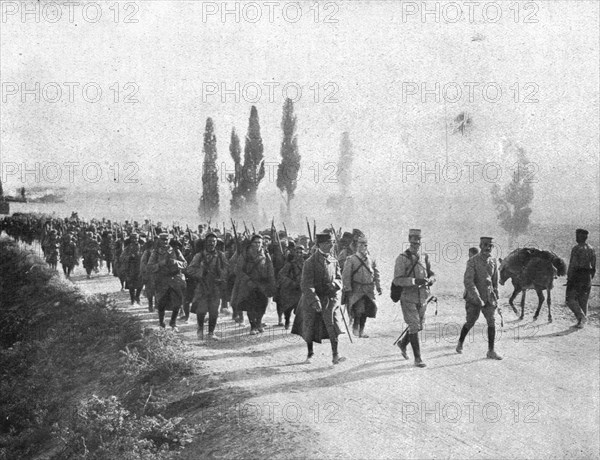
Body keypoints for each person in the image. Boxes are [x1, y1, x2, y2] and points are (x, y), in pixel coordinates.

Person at [291, 233, 346, 365]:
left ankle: (335, 355)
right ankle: (310, 353)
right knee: (309, 327)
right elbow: (306, 284)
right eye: (328, 243)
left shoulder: (334, 260)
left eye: (332, 242)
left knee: (333, 326)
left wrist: (335, 285)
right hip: (312, 300)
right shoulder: (310, 262)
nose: (331, 245)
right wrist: (315, 301)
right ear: (320, 245)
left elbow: (339, 278)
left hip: (329, 298)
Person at [392, 229, 435, 368]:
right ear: (409, 240)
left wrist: (431, 279)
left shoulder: (425, 256)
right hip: (408, 297)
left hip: (422, 297)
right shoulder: (402, 258)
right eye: (413, 240)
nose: (416, 243)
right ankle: (418, 358)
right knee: (414, 325)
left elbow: (432, 273)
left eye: (418, 240)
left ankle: (403, 343)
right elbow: (397, 280)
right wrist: (414, 281)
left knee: (419, 326)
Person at [456, 236, 502, 360]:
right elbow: (468, 282)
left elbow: (494, 281)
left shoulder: (493, 261)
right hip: (474, 298)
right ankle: (460, 342)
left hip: (488, 297)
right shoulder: (472, 261)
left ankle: (491, 351)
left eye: (490, 246)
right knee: (471, 321)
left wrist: (496, 296)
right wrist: (477, 298)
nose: (488, 248)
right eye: (485, 245)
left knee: (491, 322)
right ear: (481, 246)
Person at [230, 234, 277, 335]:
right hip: (249, 284)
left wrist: (271, 283)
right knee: (251, 306)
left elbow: (270, 269)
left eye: (259, 242)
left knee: (263, 305)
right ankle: (253, 326)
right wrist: (247, 280)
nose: (258, 244)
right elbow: (238, 269)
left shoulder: (265, 253)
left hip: (263, 284)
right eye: (255, 242)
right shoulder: (245, 254)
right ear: (251, 243)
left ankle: (259, 322)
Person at [187, 233, 228, 340]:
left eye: (214, 241)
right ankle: (200, 330)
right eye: (209, 241)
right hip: (202, 285)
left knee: (214, 310)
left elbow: (226, 269)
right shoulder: (199, 256)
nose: (211, 243)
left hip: (215, 286)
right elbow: (190, 269)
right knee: (201, 310)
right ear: (205, 242)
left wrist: (221, 277)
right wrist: (201, 272)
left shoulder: (220, 255)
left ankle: (211, 333)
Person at [342, 236, 381, 338]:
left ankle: (361, 331)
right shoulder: (351, 259)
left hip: (369, 289)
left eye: (365, 245)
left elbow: (376, 273)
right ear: (357, 246)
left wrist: (378, 286)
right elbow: (346, 275)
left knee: (367, 310)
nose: (363, 247)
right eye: (360, 245)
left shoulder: (371, 259)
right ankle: (355, 327)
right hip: (357, 288)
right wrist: (348, 288)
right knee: (359, 310)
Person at [147, 233, 188, 331]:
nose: (165, 242)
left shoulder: (176, 251)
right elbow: (149, 266)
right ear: (159, 241)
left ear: (169, 240)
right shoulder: (155, 252)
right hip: (162, 279)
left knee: (177, 303)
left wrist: (176, 262)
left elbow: (185, 264)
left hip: (175, 279)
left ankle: (173, 323)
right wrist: (160, 264)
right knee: (161, 303)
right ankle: (161, 323)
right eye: (162, 240)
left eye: (166, 240)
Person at [566, 228, 596, 328]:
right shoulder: (591, 248)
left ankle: (581, 318)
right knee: (583, 299)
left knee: (569, 299)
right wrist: (590, 277)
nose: (576, 237)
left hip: (577, 275)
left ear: (580, 237)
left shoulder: (576, 248)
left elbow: (572, 265)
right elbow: (594, 266)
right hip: (587, 276)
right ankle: (582, 322)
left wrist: (569, 277)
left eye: (577, 235)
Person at [277, 244, 306, 330]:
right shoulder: (289, 264)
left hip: (301, 289)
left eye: (301, 252)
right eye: (297, 252)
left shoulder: (306, 263)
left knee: (301, 308)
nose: (299, 254)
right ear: (294, 253)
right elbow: (281, 275)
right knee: (288, 308)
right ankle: (287, 321)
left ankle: (300, 324)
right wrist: (291, 283)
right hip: (291, 290)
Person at [120, 233, 144, 305]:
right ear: (131, 239)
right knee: (131, 285)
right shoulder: (128, 248)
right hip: (131, 268)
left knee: (141, 284)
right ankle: (132, 299)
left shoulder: (142, 247)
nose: (135, 240)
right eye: (133, 238)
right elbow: (122, 257)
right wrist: (130, 257)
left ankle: (137, 297)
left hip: (140, 267)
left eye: (136, 238)